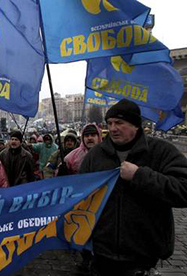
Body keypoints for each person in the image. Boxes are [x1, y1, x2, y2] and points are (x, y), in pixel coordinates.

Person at [79, 99, 187, 276]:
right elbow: (81, 197)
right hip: (101, 253)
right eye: (110, 123)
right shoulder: (94, 155)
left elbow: (184, 190)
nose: (113, 128)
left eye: (119, 123)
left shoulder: (161, 151)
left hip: (143, 256)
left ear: (136, 125)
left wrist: (140, 176)